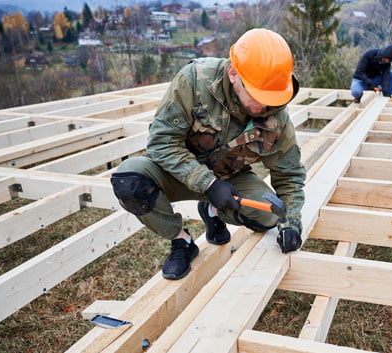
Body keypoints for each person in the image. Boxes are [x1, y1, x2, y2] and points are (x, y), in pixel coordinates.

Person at [110, 28, 306, 280]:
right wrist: (208, 183)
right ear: (234, 74)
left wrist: (290, 223)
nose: (264, 106)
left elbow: (289, 175)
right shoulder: (195, 81)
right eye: (258, 96)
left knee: (268, 214)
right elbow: (162, 142)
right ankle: (182, 242)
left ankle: (212, 211)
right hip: (175, 173)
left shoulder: (277, 117)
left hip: (229, 179)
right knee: (130, 181)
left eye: (271, 98)